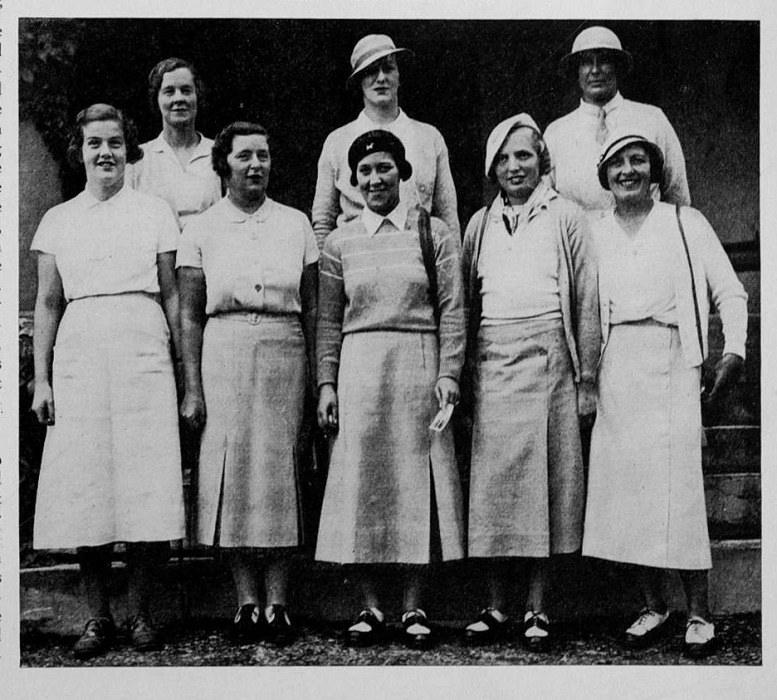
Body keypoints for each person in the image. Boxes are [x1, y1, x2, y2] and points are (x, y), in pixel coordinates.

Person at [582, 130, 747, 658]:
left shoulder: (684, 222)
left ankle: (699, 611)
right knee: (626, 491)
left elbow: (730, 290)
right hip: (615, 365)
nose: (627, 171)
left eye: (638, 161)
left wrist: (734, 352)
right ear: (604, 176)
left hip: (673, 360)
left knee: (677, 489)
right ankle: (653, 604)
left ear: (655, 172)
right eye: (617, 164)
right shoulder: (592, 230)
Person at [30, 103, 185, 658]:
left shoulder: (155, 212)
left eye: (115, 143)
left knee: (148, 484)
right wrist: (41, 380)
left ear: (129, 149)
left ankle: (141, 612)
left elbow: (172, 295)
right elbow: (48, 303)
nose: (106, 153)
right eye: (95, 143)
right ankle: (98, 617)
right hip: (80, 355)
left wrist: (188, 379)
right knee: (88, 487)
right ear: (80, 151)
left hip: (143, 351)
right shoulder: (58, 219)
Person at [316, 130, 466, 649]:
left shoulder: (436, 234)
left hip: (419, 366)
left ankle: (414, 605)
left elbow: (453, 309)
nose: (375, 179)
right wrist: (326, 383)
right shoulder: (340, 241)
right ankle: (371, 606)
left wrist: (448, 373)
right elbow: (329, 320)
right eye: (364, 172)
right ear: (353, 183)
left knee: (414, 485)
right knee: (363, 483)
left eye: (384, 168)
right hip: (360, 370)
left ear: (402, 174)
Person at [460, 114, 600, 649]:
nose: (515, 166)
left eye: (524, 155)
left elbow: (585, 298)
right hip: (493, 360)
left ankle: (539, 609)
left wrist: (587, 377)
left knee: (548, 486)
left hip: (550, 360)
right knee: (495, 488)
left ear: (542, 160)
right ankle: (497, 605)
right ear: (492, 168)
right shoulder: (480, 224)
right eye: (504, 158)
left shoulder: (567, 217)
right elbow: (469, 305)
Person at [177, 122, 318, 645]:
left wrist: (317, 378)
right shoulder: (201, 228)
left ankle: (278, 602)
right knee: (232, 468)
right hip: (225, 347)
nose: (255, 165)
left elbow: (313, 305)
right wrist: (192, 386)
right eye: (243, 157)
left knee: (278, 466)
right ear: (224, 165)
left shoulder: (296, 223)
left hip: (284, 346)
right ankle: (245, 602)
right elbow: (190, 316)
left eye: (263, 155)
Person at [311, 34, 459, 250]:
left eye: (388, 68)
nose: (381, 78)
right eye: (371, 71)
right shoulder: (337, 142)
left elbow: (447, 217)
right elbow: (323, 221)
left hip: (418, 259)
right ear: (359, 81)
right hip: (357, 260)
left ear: (399, 76)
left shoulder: (429, 138)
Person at [544, 26, 690, 216]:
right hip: (581, 242)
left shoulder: (652, 119)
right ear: (577, 71)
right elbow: (545, 204)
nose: (595, 70)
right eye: (587, 62)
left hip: (644, 240)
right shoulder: (556, 133)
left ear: (618, 67)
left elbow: (677, 196)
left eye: (604, 61)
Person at [129, 57, 222, 228]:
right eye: (169, 91)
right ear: (157, 99)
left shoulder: (219, 152)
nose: (178, 99)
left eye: (186, 90)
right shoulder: (138, 158)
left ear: (197, 96)